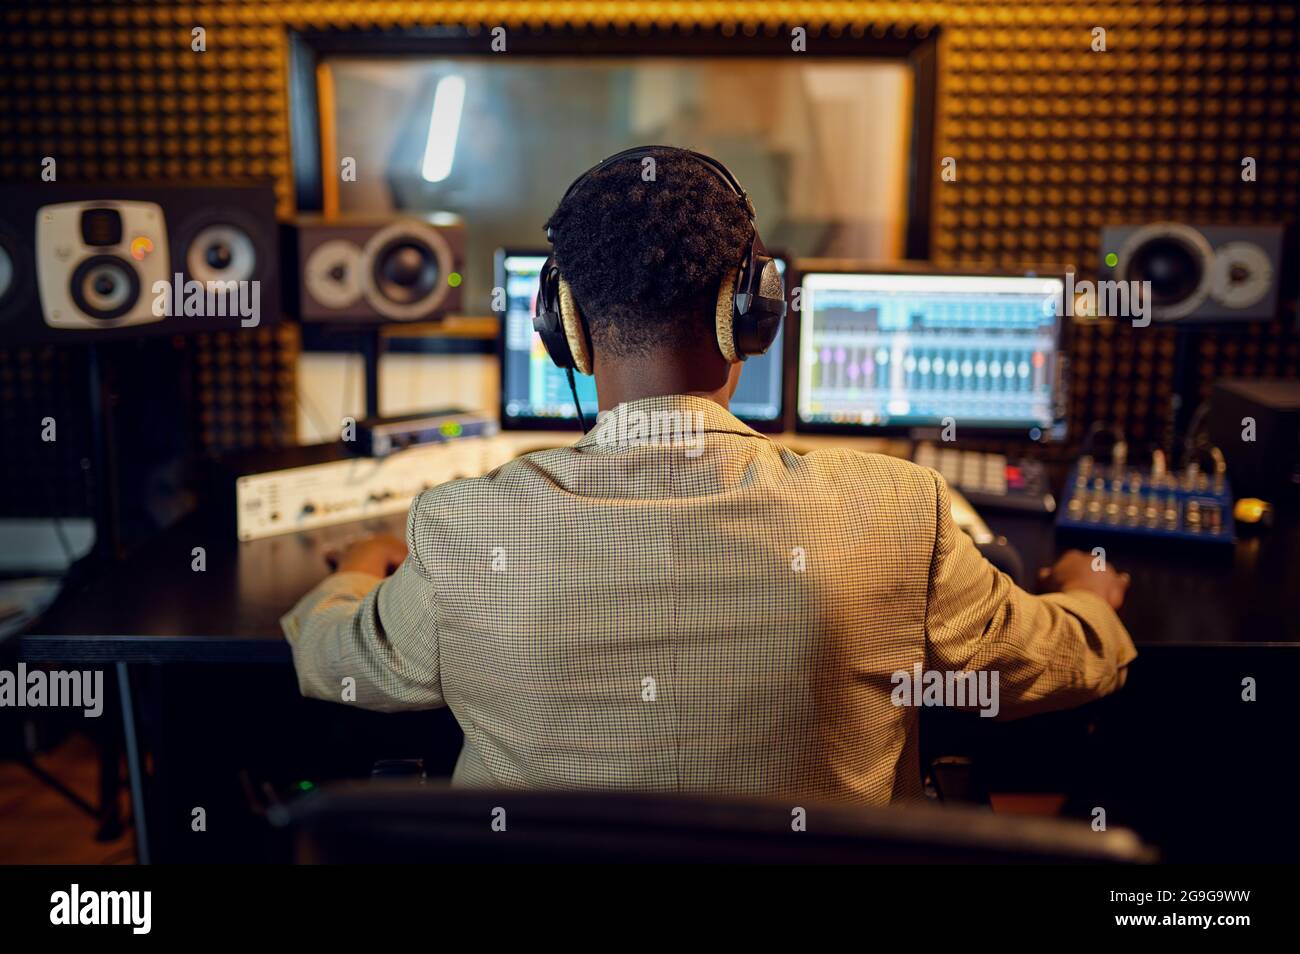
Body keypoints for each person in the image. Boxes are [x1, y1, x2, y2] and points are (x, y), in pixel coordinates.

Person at [282, 146, 1135, 803]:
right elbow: (1057, 665)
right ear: (748, 316)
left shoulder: (464, 528)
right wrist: (1087, 595)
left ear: (565, 329)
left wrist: (359, 566)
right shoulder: (895, 511)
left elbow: (336, 661)